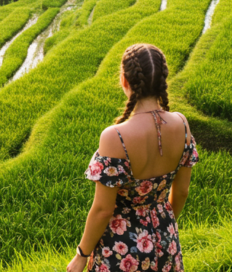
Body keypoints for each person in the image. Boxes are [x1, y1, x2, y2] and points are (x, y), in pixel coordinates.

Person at [67, 43, 199, 272]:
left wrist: (81, 254)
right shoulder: (182, 124)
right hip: (165, 241)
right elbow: (182, 191)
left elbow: (103, 210)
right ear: (162, 81)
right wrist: (160, 223)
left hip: (121, 248)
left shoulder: (115, 136)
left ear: (124, 80)